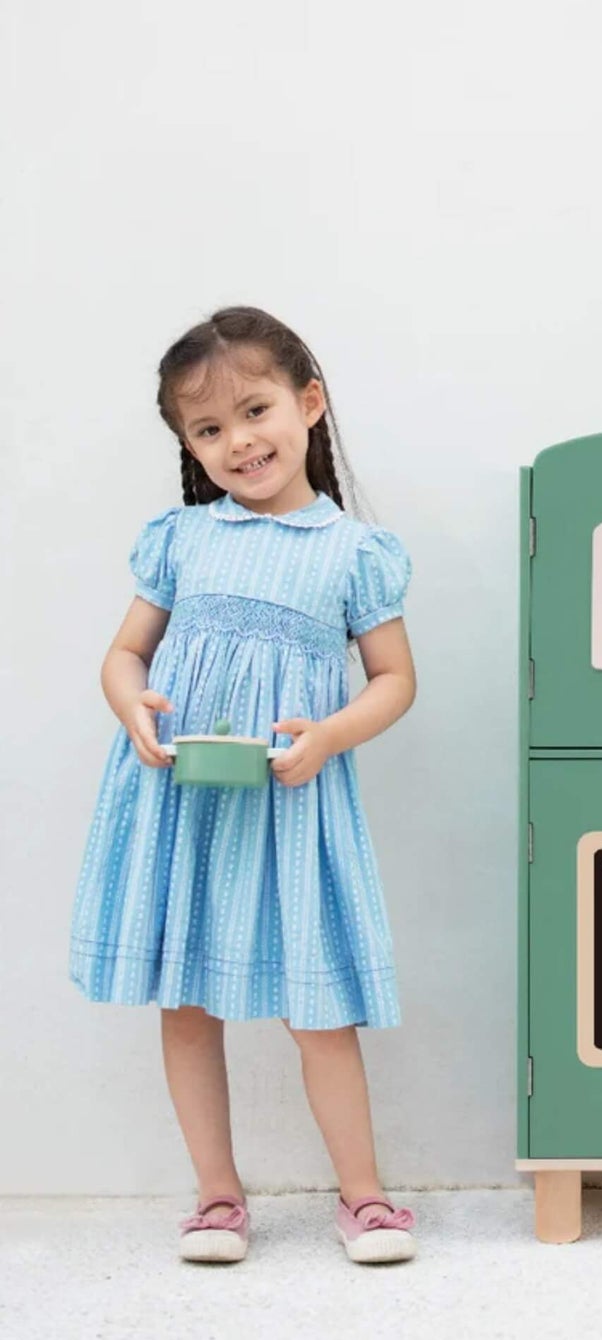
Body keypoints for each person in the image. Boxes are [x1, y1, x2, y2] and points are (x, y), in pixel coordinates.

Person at [70, 307, 418, 1265]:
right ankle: (217, 1198)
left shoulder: (353, 553)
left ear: (309, 404)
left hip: (292, 804)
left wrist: (331, 734)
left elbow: (395, 679)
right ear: (188, 444)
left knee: (319, 1008)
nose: (237, 442)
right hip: (184, 797)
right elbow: (124, 654)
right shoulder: (182, 538)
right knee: (186, 1001)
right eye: (208, 429)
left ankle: (365, 1196)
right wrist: (133, 707)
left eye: (254, 410)